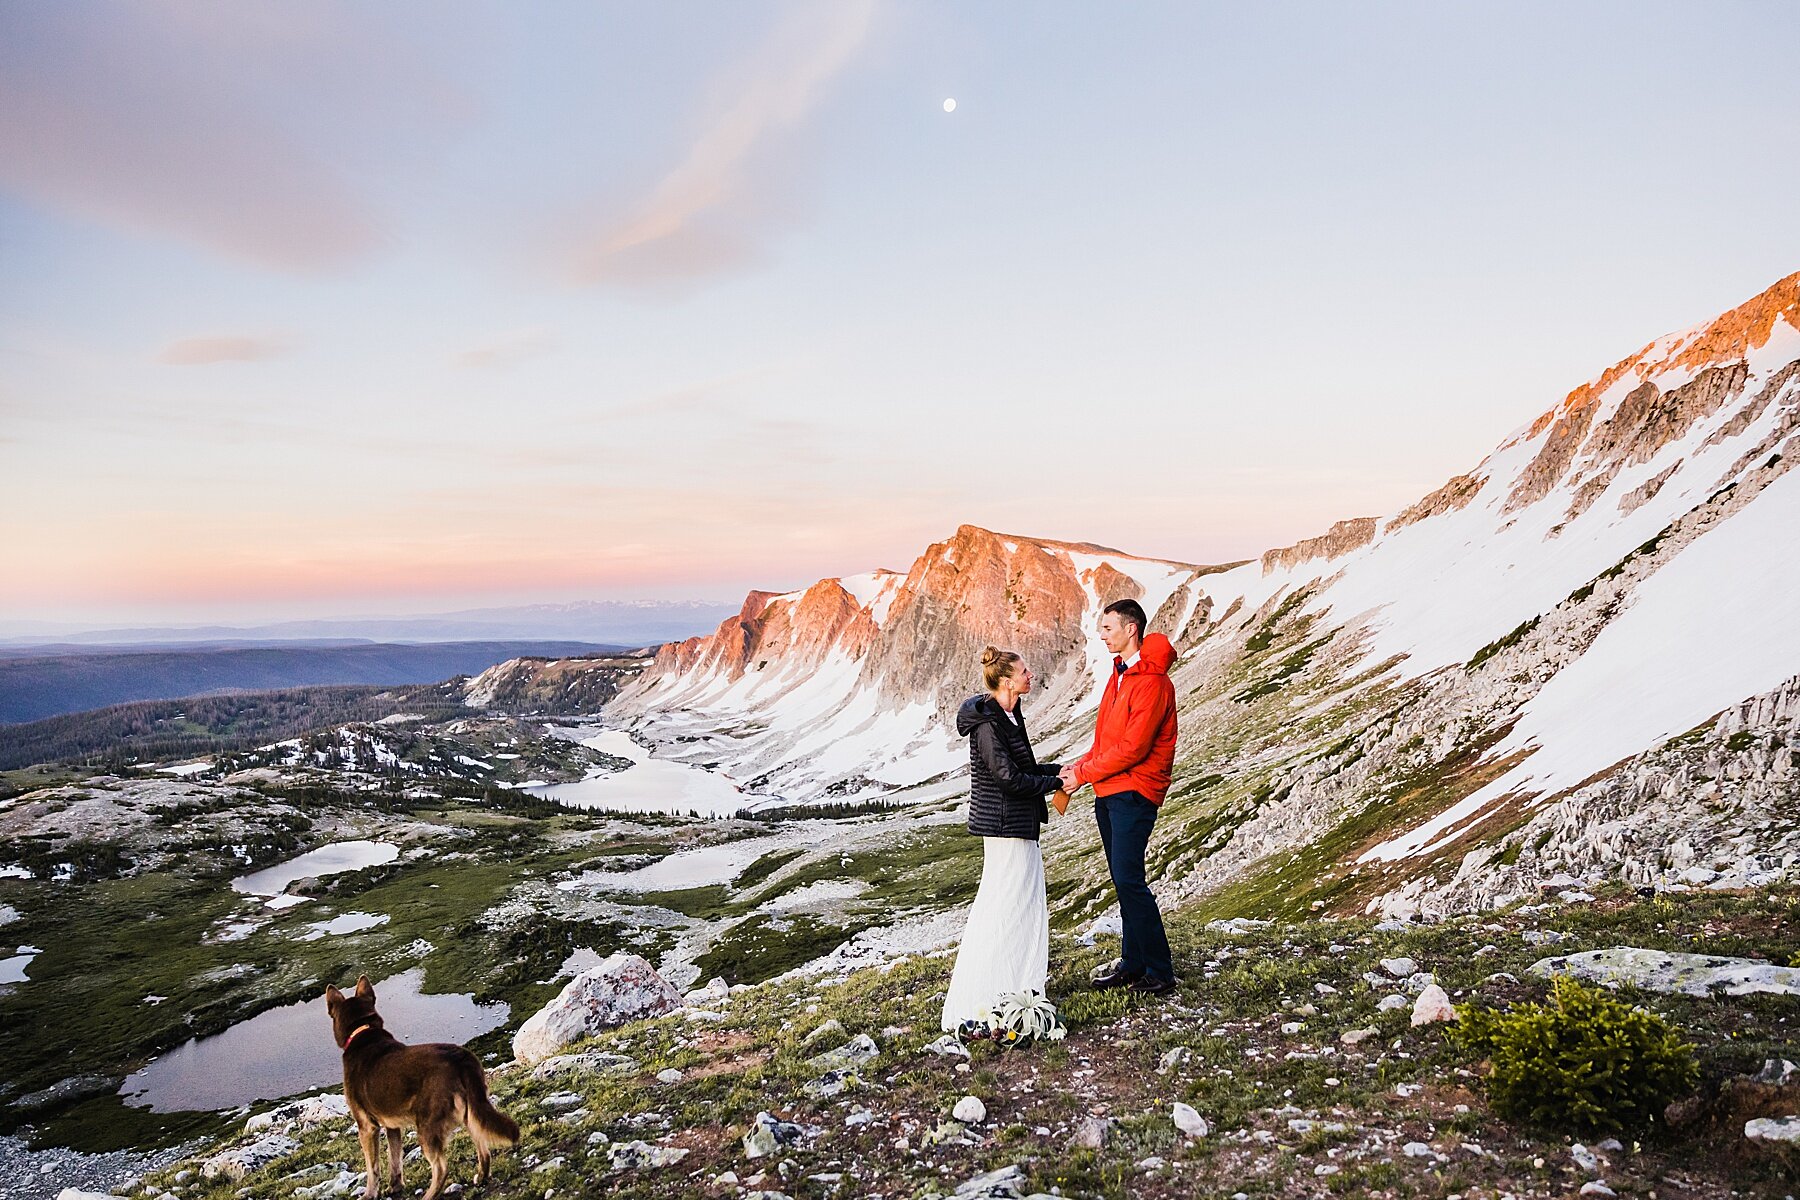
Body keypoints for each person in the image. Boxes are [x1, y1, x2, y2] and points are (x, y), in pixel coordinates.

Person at [940, 645, 1068, 1033]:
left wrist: (1062, 770)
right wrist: (1056, 782)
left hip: (1016, 823)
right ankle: (988, 991)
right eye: (1026, 670)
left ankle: (1013, 984)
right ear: (1008, 680)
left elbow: (1022, 768)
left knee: (1020, 903)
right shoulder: (987, 724)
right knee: (1005, 904)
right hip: (1004, 827)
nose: (1032, 675)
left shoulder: (1010, 715)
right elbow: (1008, 779)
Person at [1060, 598, 1178, 995]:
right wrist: (1080, 765)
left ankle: (1160, 971)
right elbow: (1107, 739)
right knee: (1122, 879)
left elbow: (1134, 748)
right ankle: (1133, 962)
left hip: (1135, 790)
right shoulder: (1121, 674)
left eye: (1108, 628)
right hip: (1110, 789)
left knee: (1130, 880)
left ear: (1131, 629)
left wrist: (1083, 775)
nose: (1102, 635)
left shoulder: (1152, 681)